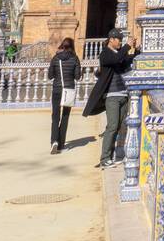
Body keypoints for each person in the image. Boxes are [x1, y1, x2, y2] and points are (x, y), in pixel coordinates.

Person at [83, 29, 138, 169]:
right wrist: (127, 46)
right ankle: (105, 158)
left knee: (119, 126)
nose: (120, 42)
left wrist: (136, 51)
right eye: (119, 40)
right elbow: (117, 59)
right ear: (111, 39)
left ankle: (111, 155)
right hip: (112, 96)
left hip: (123, 94)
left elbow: (125, 62)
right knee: (112, 126)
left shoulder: (118, 53)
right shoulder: (105, 54)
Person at [47, 37, 82, 154]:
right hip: (69, 90)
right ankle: (61, 143)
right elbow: (77, 77)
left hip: (57, 89)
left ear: (62, 45)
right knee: (65, 116)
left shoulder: (55, 58)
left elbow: (50, 76)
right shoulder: (75, 59)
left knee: (55, 116)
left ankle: (54, 141)